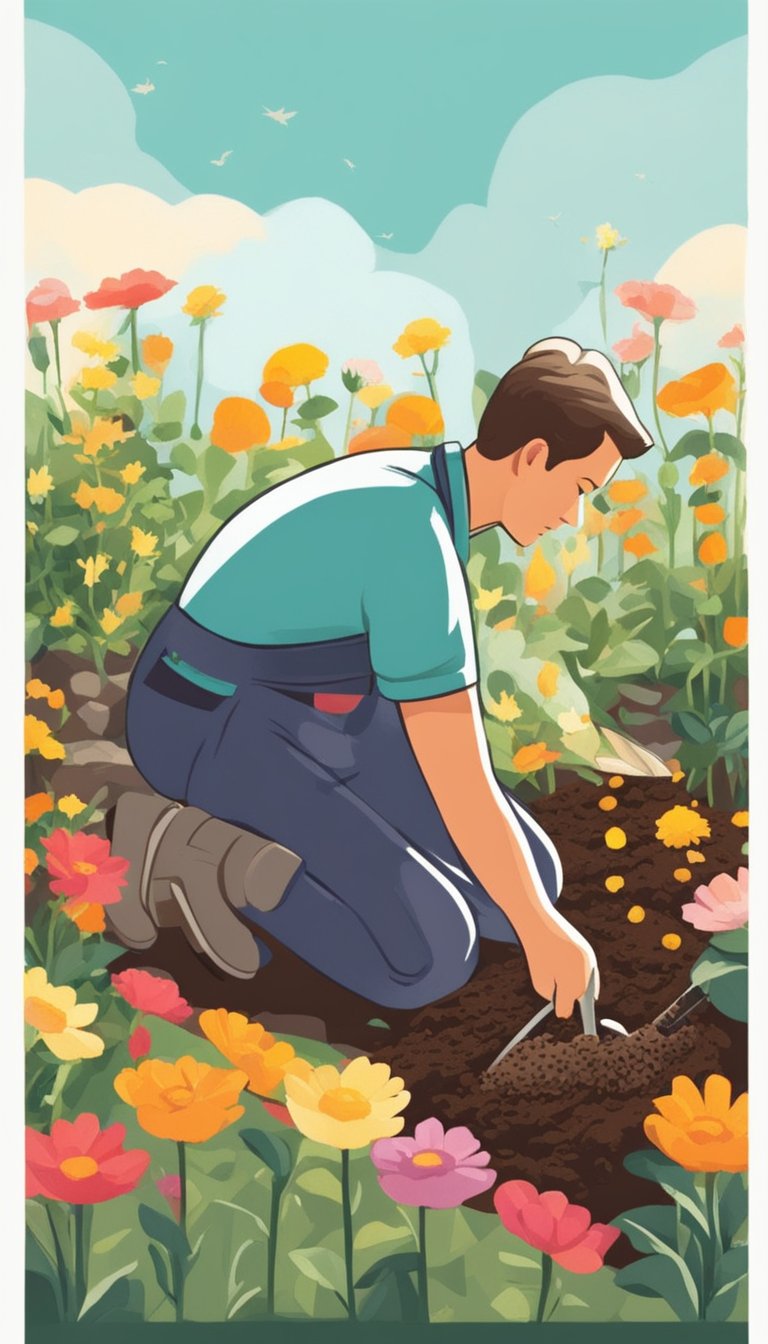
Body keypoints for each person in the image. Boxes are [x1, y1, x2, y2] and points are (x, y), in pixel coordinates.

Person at [108, 336, 654, 1015]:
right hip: (202, 717)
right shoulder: (410, 537)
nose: (573, 516)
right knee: (430, 954)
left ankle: (283, 829)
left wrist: (535, 914)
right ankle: (196, 852)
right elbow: (457, 775)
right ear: (534, 456)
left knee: (530, 879)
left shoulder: (428, 491)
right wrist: (545, 933)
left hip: (312, 708)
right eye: (578, 489)